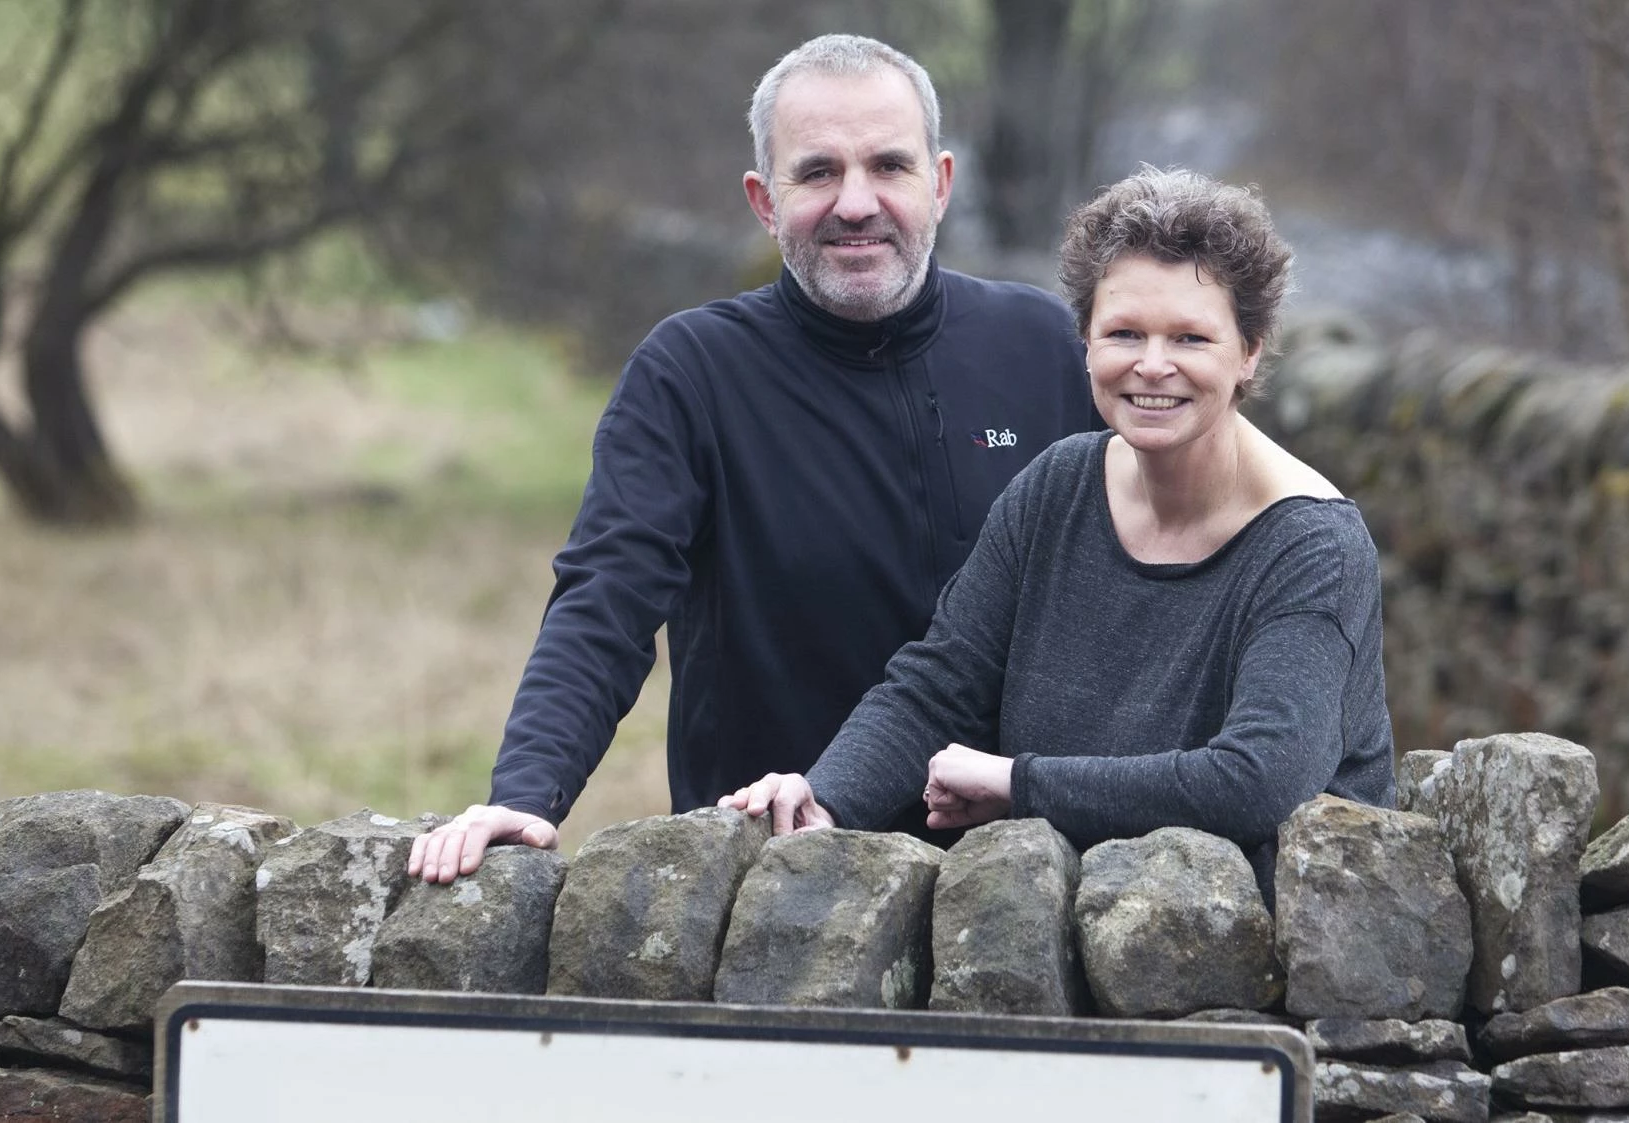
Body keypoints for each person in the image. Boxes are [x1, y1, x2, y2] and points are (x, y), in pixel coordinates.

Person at [410, 35, 1097, 882]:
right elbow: (607, 596)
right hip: (769, 889)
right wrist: (526, 791)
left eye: (889, 166)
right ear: (763, 201)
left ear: (942, 183)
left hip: (1021, 888)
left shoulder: (1045, 349)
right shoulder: (691, 373)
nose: (856, 203)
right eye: (816, 173)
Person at [722, 168, 1395, 890]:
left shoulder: (1311, 545)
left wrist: (1020, 783)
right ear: (1084, 338)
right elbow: (937, 685)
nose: (1153, 364)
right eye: (1124, 332)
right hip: (1047, 937)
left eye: (1191, 337)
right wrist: (827, 799)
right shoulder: (1057, 487)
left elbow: (1259, 779)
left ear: (1251, 351)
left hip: (1253, 975)